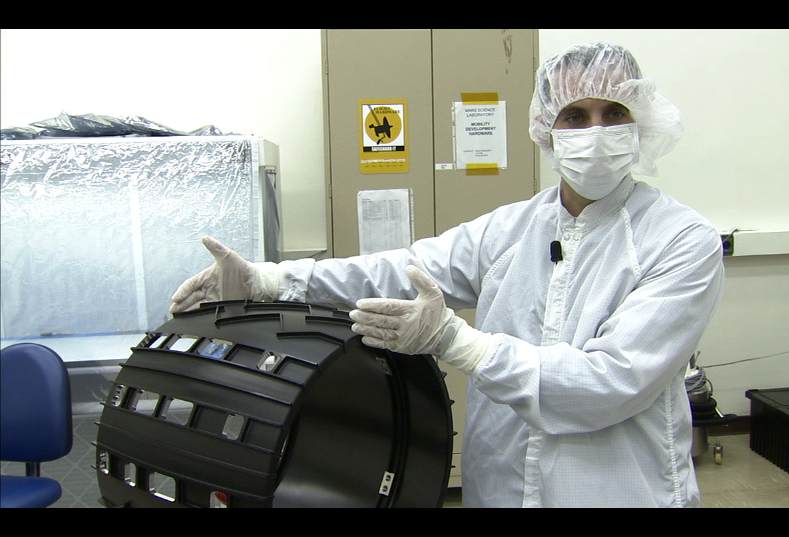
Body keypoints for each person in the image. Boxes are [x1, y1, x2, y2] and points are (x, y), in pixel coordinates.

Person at [170, 42, 724, 508]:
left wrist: (457, 342)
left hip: (618, 491)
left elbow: (610, 384)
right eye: (575, 116)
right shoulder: (513, 227)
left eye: (614, 114)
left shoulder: (679, 240)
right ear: (546, 130)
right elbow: (397, 269)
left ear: (641, 124)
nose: (596, 132)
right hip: (502, 487)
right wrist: (271, 281)